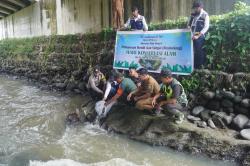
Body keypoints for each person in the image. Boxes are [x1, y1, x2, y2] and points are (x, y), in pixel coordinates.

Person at [187, 1, 209, 69]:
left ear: (200, 7)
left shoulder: (205, 15)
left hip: (199, 37)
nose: (195, 10)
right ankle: (192, 66)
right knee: (190, 52)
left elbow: (206, 27)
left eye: (196, 8)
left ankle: (199, 68)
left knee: (199, 52)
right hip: (191, 36)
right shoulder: (192, 15)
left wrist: (198, 36)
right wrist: (189, 29)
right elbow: (188, 24)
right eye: (194, 8)